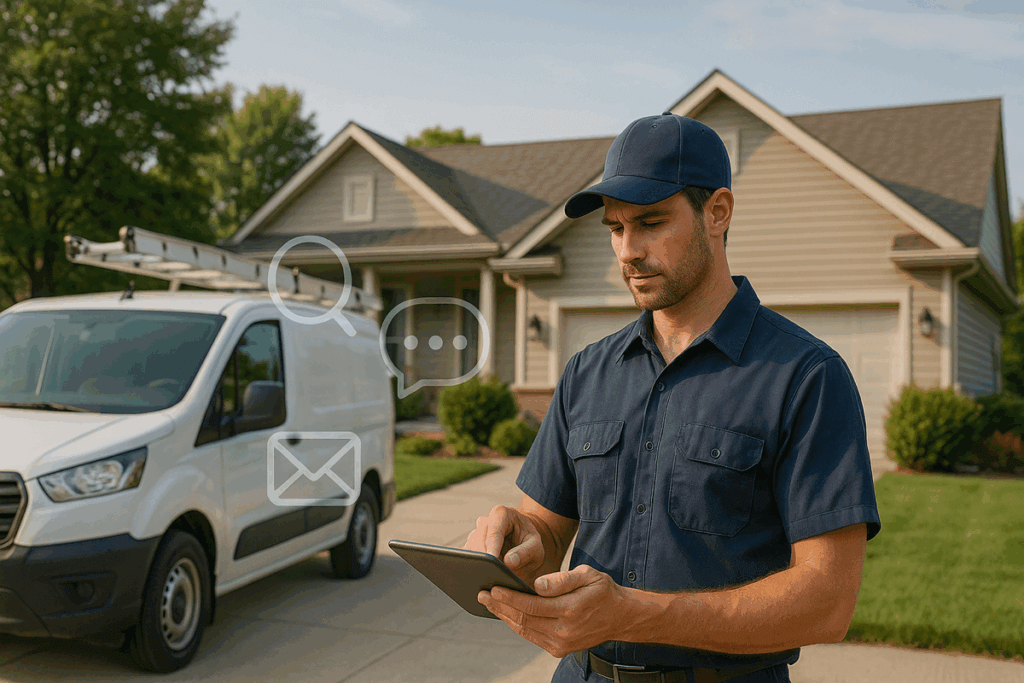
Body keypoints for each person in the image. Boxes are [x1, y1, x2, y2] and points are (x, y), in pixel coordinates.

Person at [464, 112, 882, 683]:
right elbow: (548, 526)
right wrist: (520, 539)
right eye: (615, 228)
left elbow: (827, 602)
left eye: (651, 222)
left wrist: (635, 614)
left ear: (718, 212)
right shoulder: (588, 371)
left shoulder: (806, 376)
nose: (627, 251)